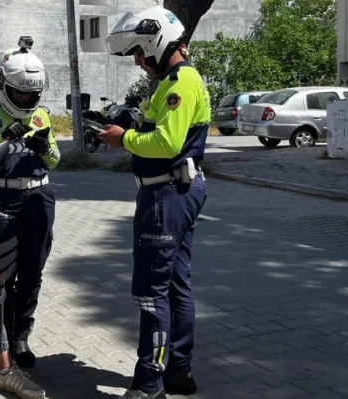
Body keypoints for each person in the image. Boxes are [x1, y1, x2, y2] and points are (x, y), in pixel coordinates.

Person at [99, 6, 210, 399]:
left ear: (157, 43)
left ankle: (149, 383)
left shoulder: (181, 83)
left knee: (152, 292)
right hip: (173, 192)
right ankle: (178, 371)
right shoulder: (171, 82)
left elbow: (166, 143)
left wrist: (122, 139)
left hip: (166, 196)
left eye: (140, 53)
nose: (138, 62)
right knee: (177, 285)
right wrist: (128, 124)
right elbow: (157, 129)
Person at [0, 36, 58, 399]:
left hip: (39, 197)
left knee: (33, 271)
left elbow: (55, 160)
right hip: (1, 201)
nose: (24, 101)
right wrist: (2, 139)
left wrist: (45, 147)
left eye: (29, 95)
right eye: (18, 95)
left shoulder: (41, 116)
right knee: (1, 277)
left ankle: (20, 336)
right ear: (5, 87)